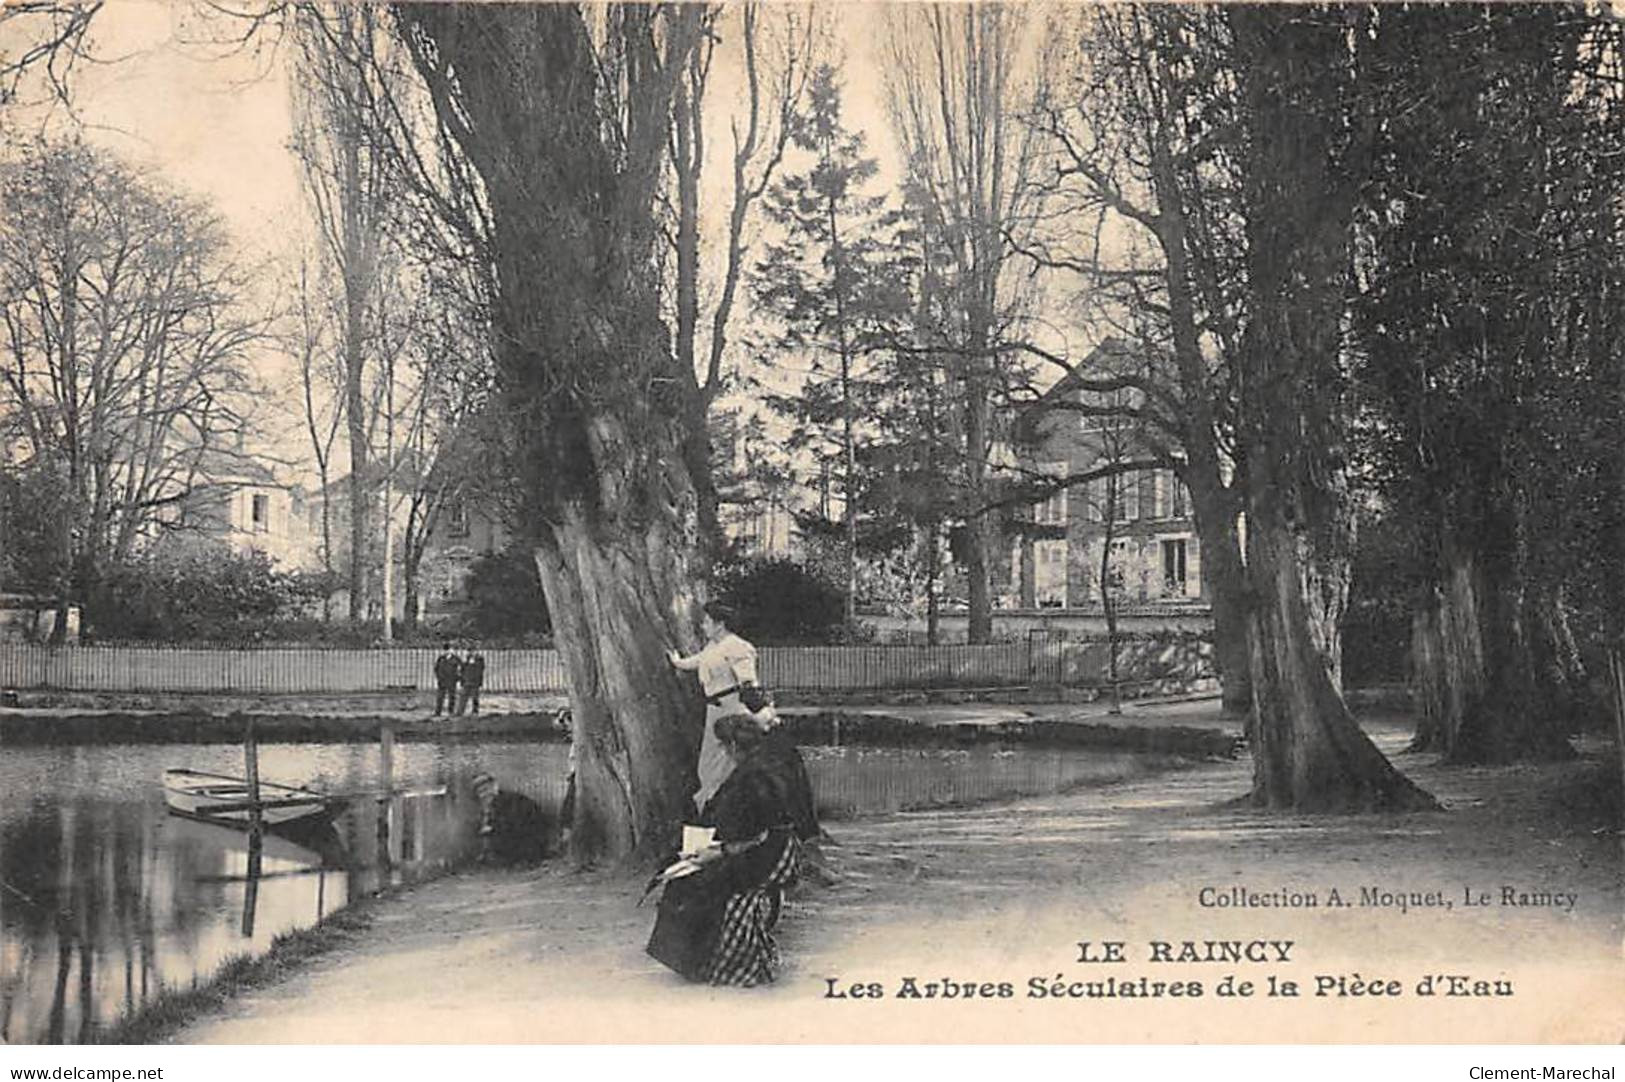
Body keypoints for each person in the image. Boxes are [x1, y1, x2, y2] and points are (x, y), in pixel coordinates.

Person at [645, 712, 802, 987]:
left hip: (763, 854)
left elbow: (757, 834)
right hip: (764, 847)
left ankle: (703, 962)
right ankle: (696, 959)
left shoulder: (754, 779)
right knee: (684, 873)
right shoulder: (764, 766)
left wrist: (717, 852)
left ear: (731, 746)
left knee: (693, 883)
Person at [668, 601, 759, 810]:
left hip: (732, 709)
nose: (703, 626)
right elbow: (698, 661)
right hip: (714, 710)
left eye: (707, 622)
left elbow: (749, 683)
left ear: (720, 624)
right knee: (708, 765)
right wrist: (677, 662)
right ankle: (710, 811)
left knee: (726, 764)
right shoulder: (713, 647)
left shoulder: (738, 647)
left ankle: (720, 815)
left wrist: (758, 711)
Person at [471, 772, 550, 865]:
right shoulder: (494, 804)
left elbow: (515, 825)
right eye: (480, 792)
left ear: (495, 787)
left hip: (529, 843)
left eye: (486, 789)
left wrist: (493, 828)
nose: (484, 795)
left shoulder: (512, 802)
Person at [432, 641, 461, 716]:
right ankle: (438, 712)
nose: (447, 651)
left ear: (451, 650)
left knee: (452, 696)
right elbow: (436, 668)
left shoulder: (456, 659)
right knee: (440, 697)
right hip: (442, 681)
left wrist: (457, 678)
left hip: (452, 680)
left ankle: (451, 711)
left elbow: (461, 669)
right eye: (445, 649)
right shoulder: (441, 658)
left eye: (448, 649)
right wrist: (439, 677)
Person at [458, 644, 486, 715]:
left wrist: (474, 664)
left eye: (472, 651)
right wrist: (462, 679)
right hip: (466, 681)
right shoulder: (466, 659)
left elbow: (481, 669)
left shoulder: (479, 659)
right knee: (463, 697)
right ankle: (460, 711)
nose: (470, 652)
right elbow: (462, 669)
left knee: (475, 697)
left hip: (475, 681)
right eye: (469, 651)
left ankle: (475, 711)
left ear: (475, 651)